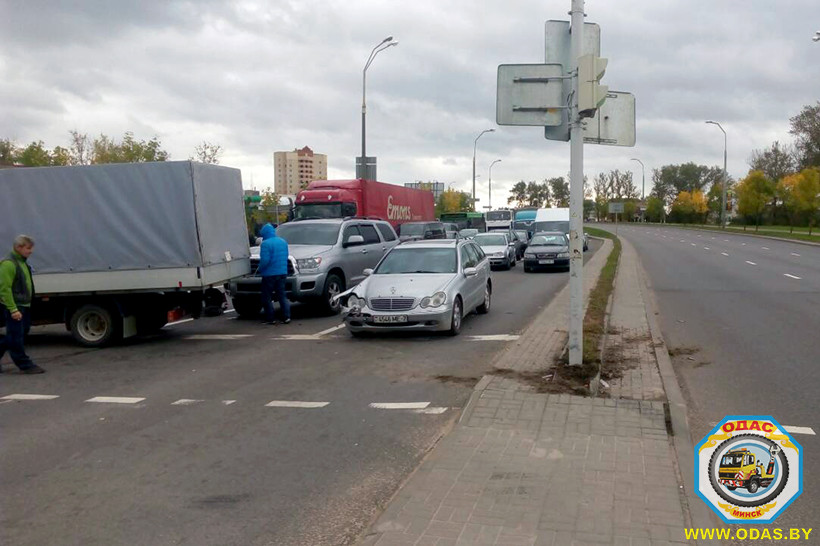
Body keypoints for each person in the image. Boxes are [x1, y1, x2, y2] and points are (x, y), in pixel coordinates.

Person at [0, 235, 45, 374]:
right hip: (15, 306)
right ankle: (25, 364)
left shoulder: (22, 262)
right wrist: (13, 309)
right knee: (16, 336)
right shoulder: (9, 264)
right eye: (28, 248)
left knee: (18, 333)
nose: (30, 251)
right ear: (18, 247)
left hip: (23, 305)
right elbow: (4, 289)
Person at [257, 223, 290, 325]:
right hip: (282, 272)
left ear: (265, 233)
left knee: (267, 297)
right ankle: (286, 317)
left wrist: (259, 270)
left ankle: (270, 318)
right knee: (282, 295)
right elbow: (286, 256)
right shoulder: (283, 242)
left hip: (269, 274)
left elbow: (265, 260)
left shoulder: (265, 244)